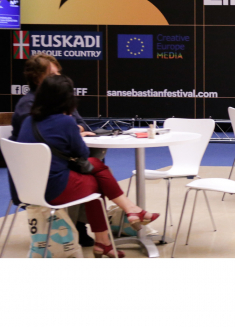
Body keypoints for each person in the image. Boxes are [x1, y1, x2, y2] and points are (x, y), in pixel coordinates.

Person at [16, 75, 159, 258]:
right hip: (54, 189)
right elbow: (83, 154)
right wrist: (75, 132)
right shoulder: (65, 122)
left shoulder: (29, 121)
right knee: (98, 178)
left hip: (28, 188)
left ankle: (110, 235)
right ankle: (126, 216)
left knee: (95, 167)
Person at [8, 53, 96, 246]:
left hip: (53, 167)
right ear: (37, 78)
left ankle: (85, 226)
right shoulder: (28, 107)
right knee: (95, 169)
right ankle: (92, 228)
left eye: (58, 74)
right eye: (52, 75)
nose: (57, 78)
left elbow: (81, 125)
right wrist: (70, 128)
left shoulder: (58, 99)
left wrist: (72, 128)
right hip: (37, 176)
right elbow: (42, 140)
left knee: (95, 160)